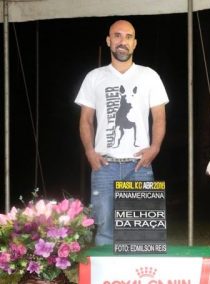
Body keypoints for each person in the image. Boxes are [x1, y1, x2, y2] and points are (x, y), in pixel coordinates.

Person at [75, 20, 169, 245]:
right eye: (117, 36)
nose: (122, 41)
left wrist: (155, 148)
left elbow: (159, 117)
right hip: (104, 166)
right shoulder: (94, 77)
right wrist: (89, 151)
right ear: (109, 41)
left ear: (134, 43)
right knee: (105, 234)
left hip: (139, 166)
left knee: (141, 237)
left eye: (128, 37)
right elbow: (86, 120)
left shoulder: (149, 76)